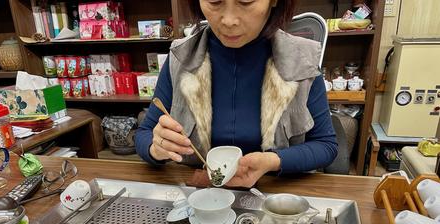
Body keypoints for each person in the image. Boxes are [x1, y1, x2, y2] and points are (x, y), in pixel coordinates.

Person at [135, 0, 338, 187]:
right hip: (199, 196)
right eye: (214, 1)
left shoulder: (302, 60)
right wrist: (156, 147)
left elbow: (325, 145)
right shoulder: (180, 58)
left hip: (273, 194)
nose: (229, 20)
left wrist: (273, 161)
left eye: (246, 1)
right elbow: (144, 134)